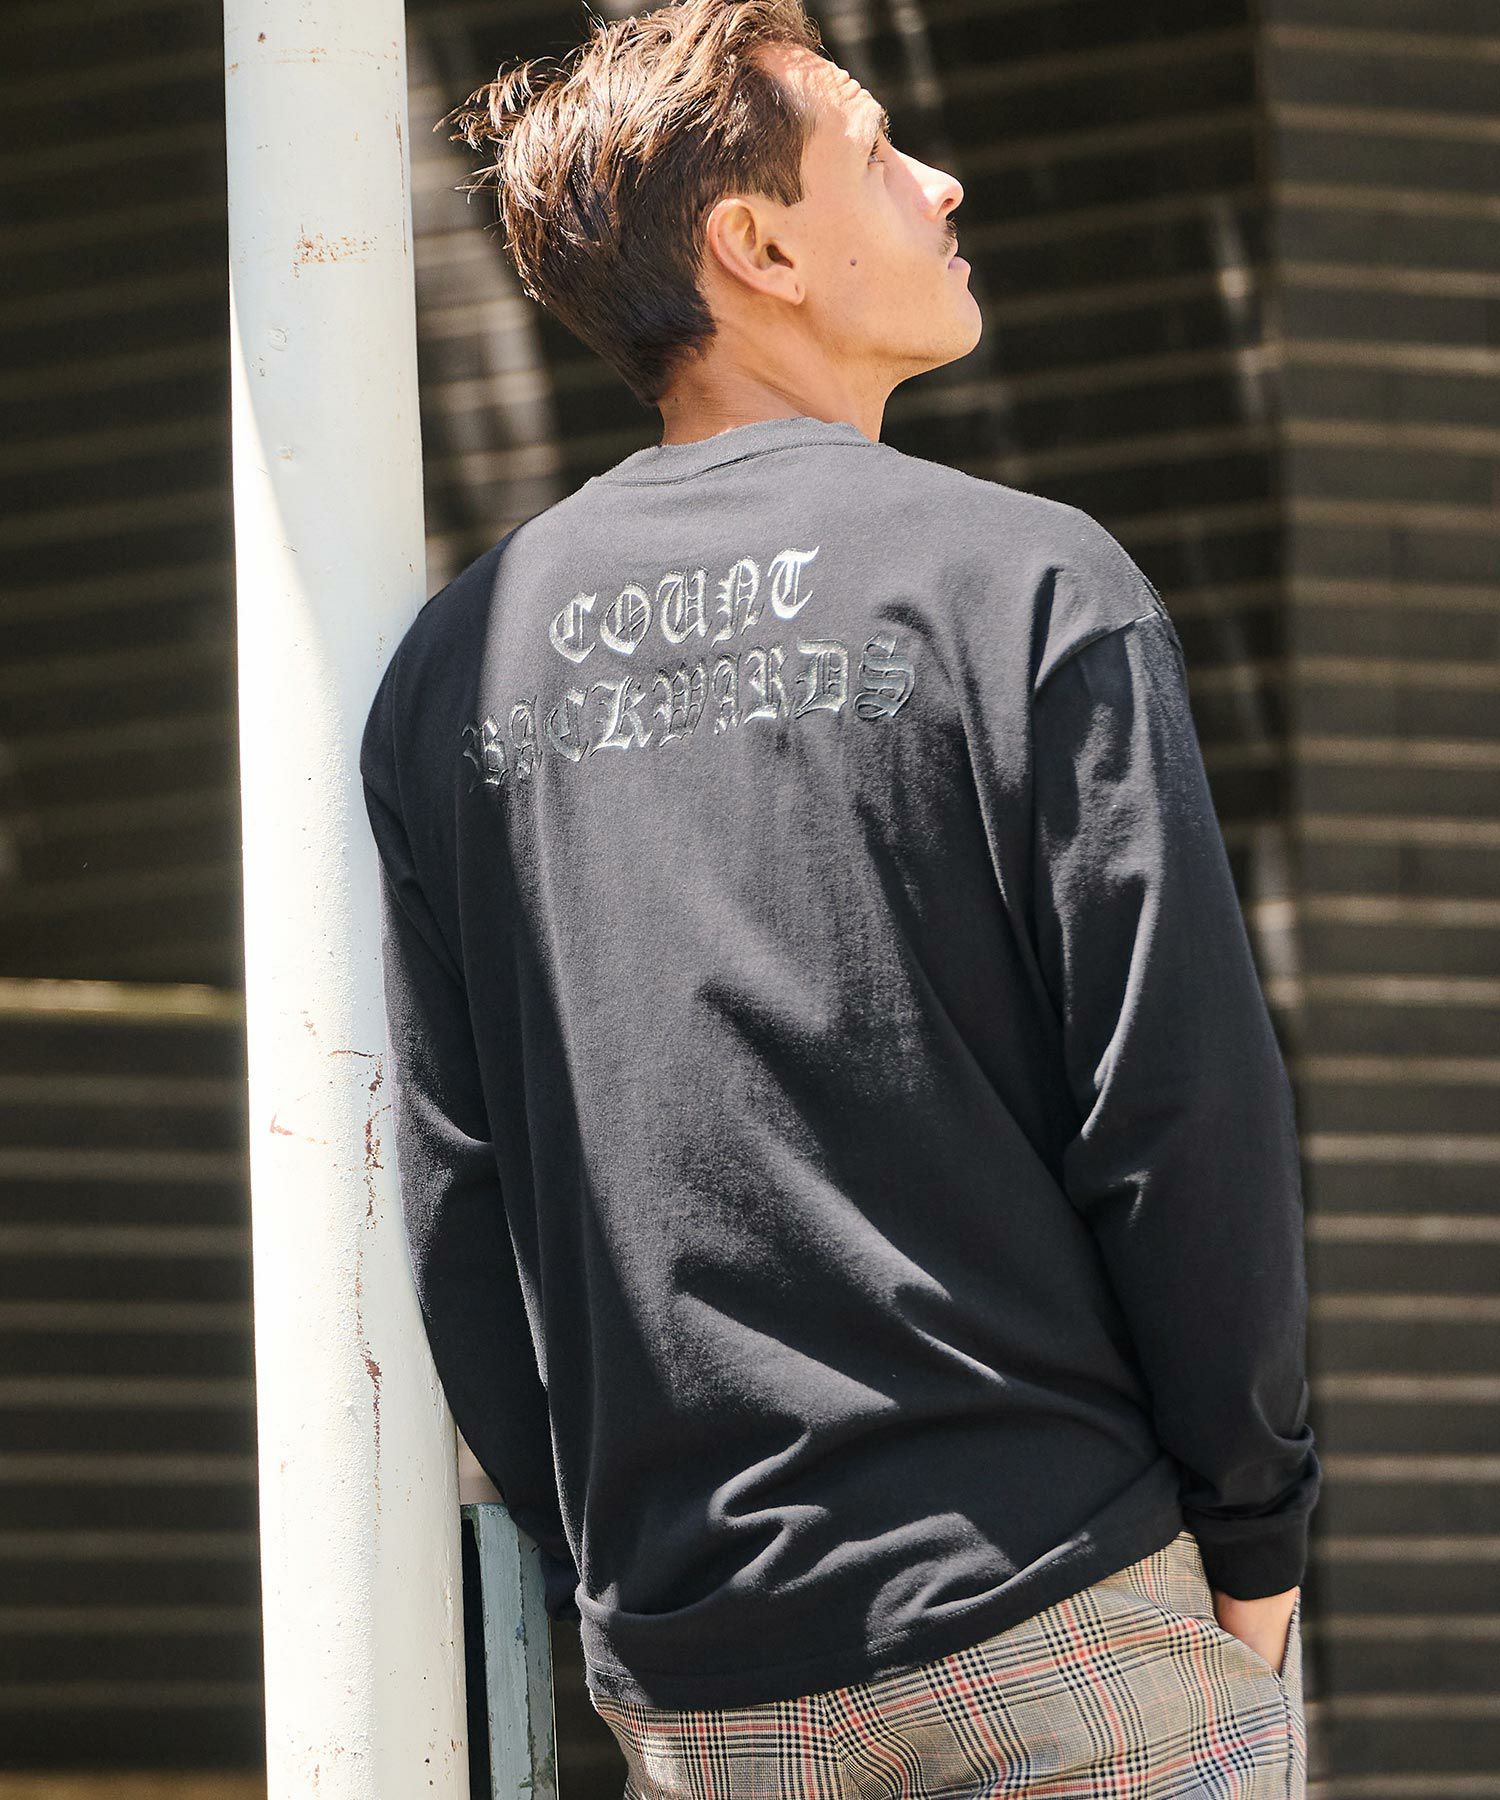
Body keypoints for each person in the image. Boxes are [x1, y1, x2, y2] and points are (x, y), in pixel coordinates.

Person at [358, 0, 1321, 1792]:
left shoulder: (453, 670)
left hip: (707, 1679)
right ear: (761, 247)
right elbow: (1182, 1109)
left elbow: (456, 1197)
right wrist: (1255, 1531)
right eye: (877, 154)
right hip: (1063, 1610)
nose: (941, 183)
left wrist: (620, 1585)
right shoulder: (1024, 584)